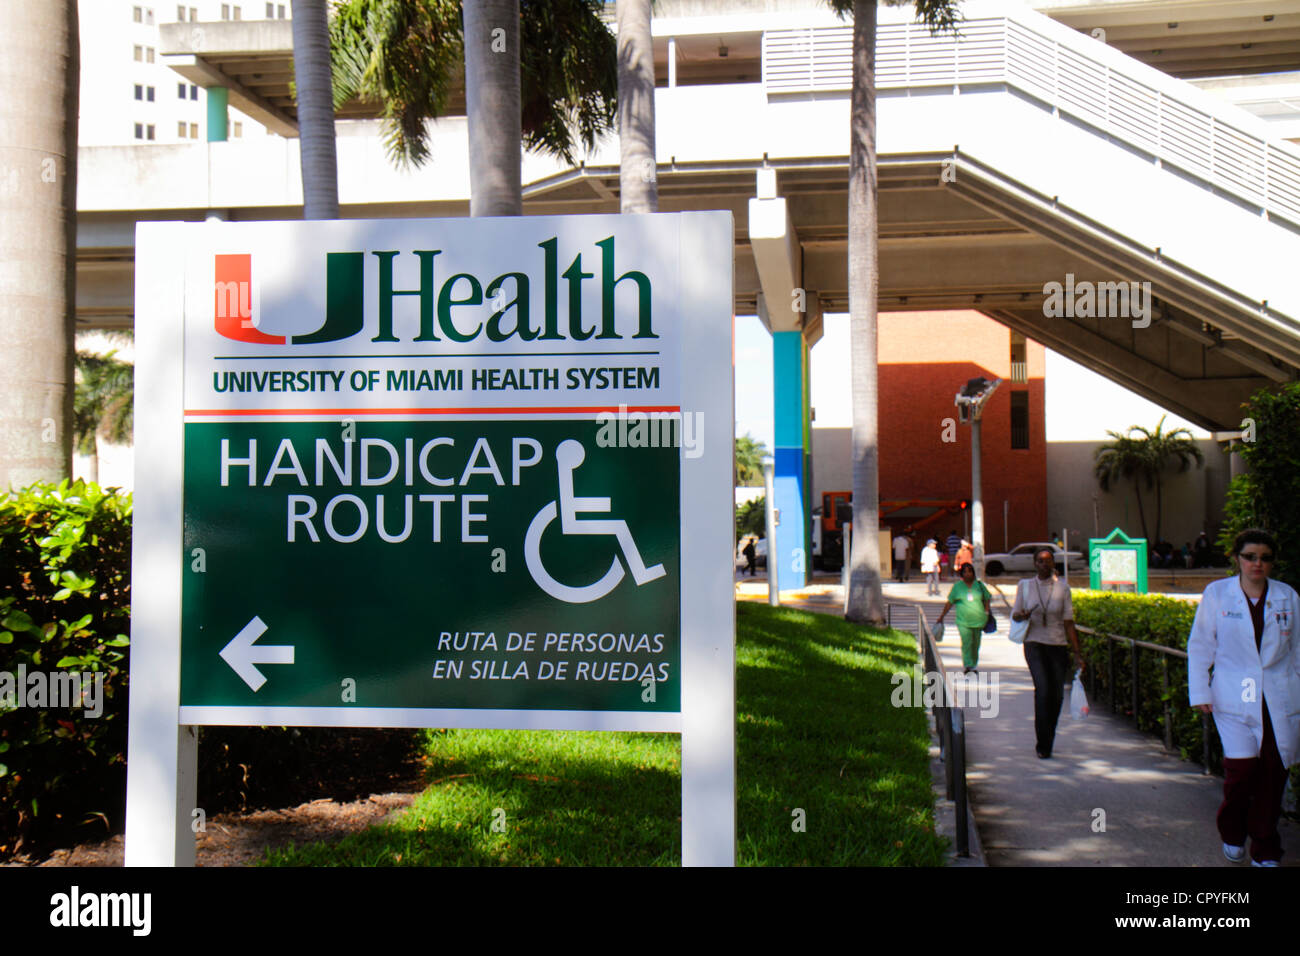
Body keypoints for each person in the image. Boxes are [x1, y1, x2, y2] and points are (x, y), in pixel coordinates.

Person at [1187, 529, 1300, 866]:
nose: (1257, 563)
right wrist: (1199, 692)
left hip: (1278, 697)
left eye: (1265, 557)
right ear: (1237, 558)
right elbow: (1201, 645)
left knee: (1273, 774)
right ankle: (1233, 832)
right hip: (1233, 696)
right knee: (1240, 773)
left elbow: (1297, 650)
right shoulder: (1218, 594)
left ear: (1272, 562)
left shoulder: (1288, 597)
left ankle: (1265, 848)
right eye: (1250, 556)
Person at [1011, 547, 1085, 759]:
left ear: (1053, 563)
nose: (1045, 564)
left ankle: (1049, 735)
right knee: (1043, 690)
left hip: (1058, 645)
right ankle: (1043, 744)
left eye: (1048, 561)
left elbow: (1069, 622)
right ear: (1035, 564)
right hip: (1034, 644)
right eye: (1041, 561)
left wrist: (1078, 653)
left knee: (1057, 694)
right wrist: (1022, 615)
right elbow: (1015, 614)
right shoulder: (1025, 586)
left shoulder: (1063, 588)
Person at [936, 562, 991, 675]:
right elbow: (949, 602)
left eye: (970, 571)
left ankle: (974, 664)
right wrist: (942, 616)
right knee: (966, 642)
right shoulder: (957, 587)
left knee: (976, 643)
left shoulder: (979, 585)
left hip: (979, 620)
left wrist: (986, 612)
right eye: (965, 571)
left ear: (973, 573)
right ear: (961, 574)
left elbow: (987, 598)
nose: (967, 574)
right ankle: (968, 665)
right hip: (963, 621)